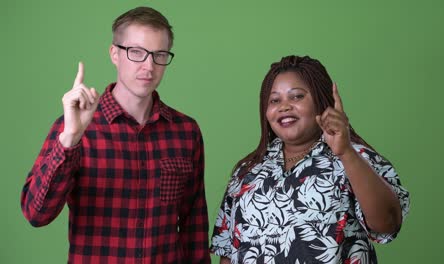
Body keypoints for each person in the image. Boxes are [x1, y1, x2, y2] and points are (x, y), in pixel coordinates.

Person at [21, 6, 210, 263]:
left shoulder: (186, 132)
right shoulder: (74, 127)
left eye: (159, 54)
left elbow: (194, 227)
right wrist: (70, 139)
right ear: (114, 54)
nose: (149, 66)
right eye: (136, 53)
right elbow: (36, 214)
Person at [210, 55, 410, 263]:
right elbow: (228, 250)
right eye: (274, 100)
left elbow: (387, 223)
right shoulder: (248, 170)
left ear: (321, 101)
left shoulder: (356, 157)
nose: (284, 106)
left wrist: (346, 153)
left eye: (297, 96)